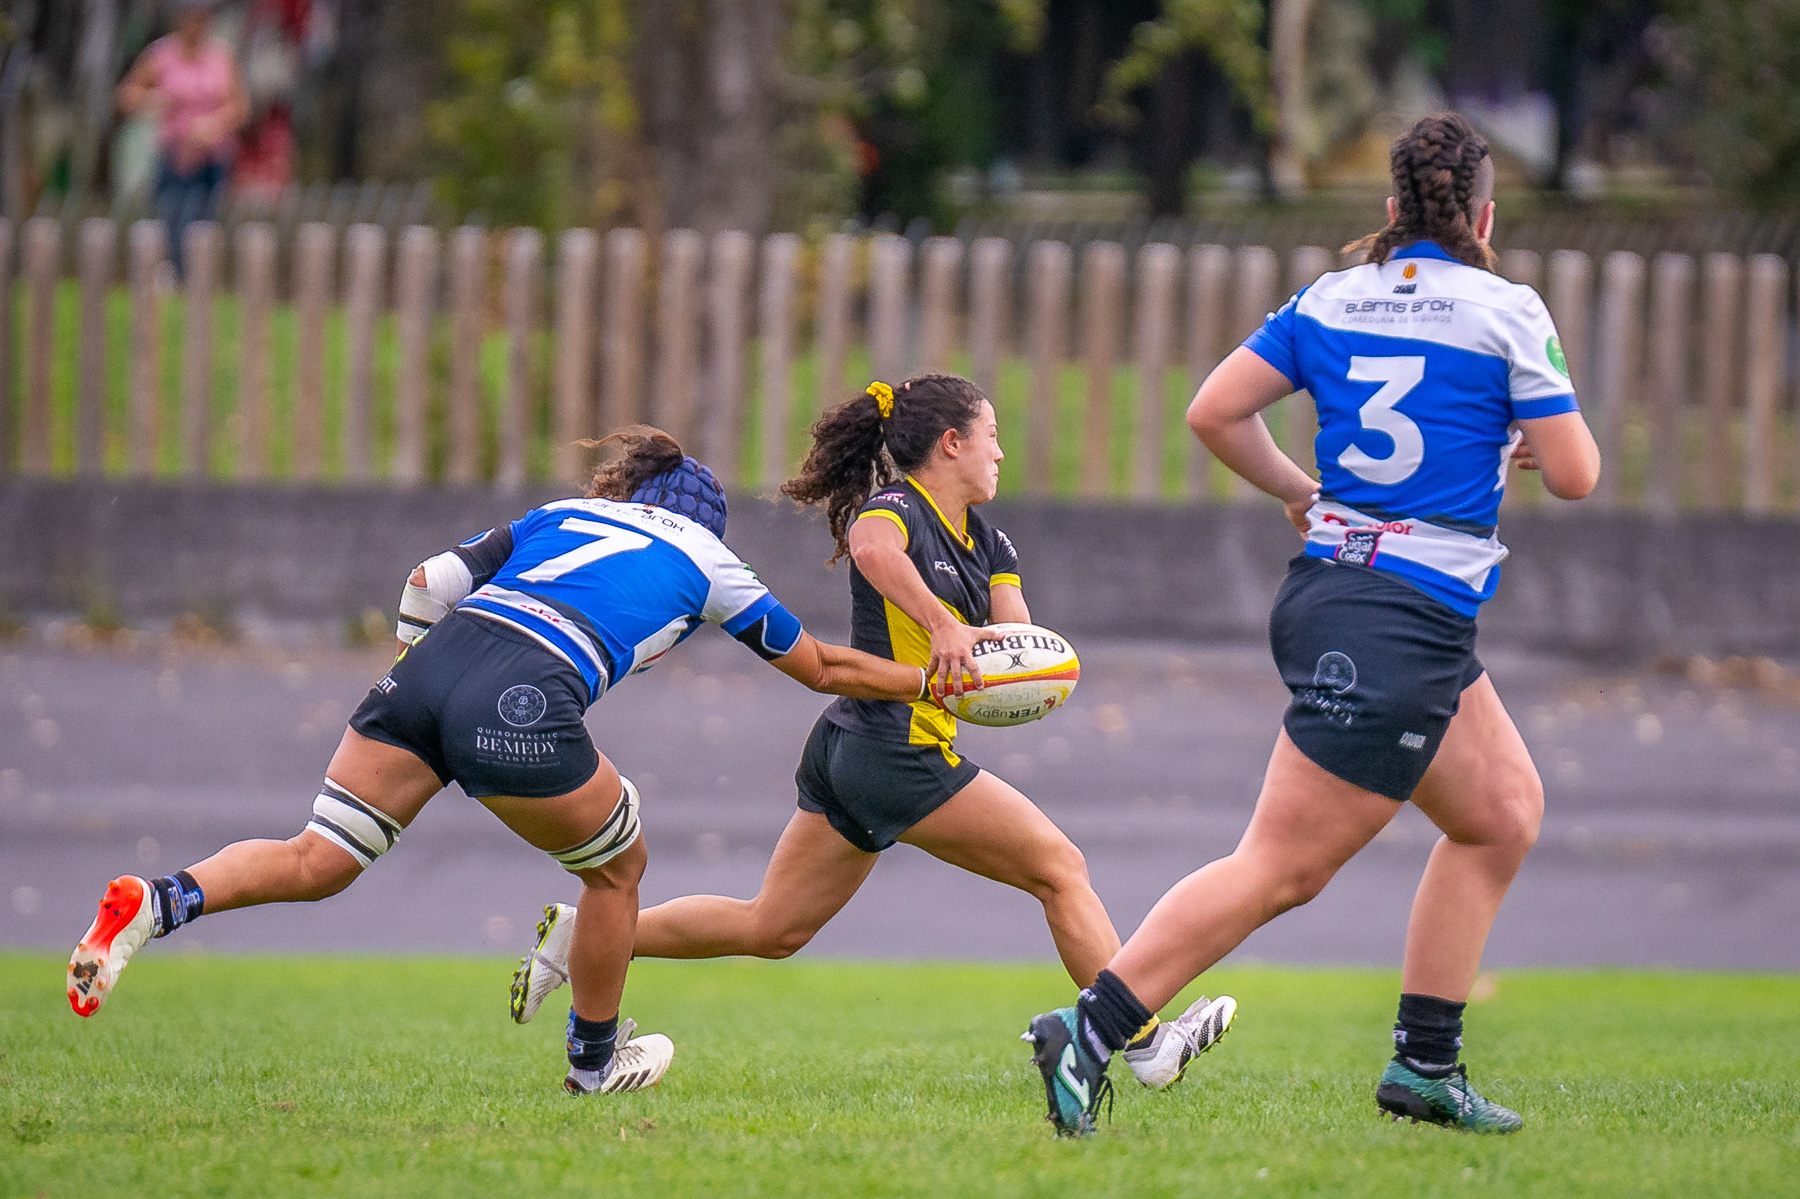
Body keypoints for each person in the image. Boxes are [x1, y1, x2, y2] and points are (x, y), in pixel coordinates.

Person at [1024, 113, 1602, 1136]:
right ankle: (1094, 1024)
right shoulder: (1507, 309)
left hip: (1344, 591)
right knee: (1280, 866)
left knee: (1501, 808)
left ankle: (1426, 1065)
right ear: (1485, 215)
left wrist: (1300, 488)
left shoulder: (1331, 296)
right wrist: (1509, 428)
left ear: (1390, 212)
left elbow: (1213, 410)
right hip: (1399, 617)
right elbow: (1576, 473)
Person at [66, 427, 940, 1096]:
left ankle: (160, 898)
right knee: (618, 868)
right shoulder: (709, 556)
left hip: (425, 674)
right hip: (524, 693)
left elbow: (424, 579)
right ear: (702, 518)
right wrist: (932, 681)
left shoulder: (561, 515)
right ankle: (595, 1064)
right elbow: (820, 666)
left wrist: (418, 690)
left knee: (316, 858)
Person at [509, 378, 1236, 1091]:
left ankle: (584, 938)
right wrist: (944, 622)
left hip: (852, 750)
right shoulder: (897, 510)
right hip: (893, 748)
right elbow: (871, 550)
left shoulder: (989, 539)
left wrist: (1023, 667)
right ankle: (1142, 1044)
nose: (1002, 454)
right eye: (992, 437)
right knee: (1060, 867)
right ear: (951, 444)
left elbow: (1015, 636)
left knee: (772, 927)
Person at [117, 0, 248, 275]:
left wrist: (213, 125)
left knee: (205, 224)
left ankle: (200, 279)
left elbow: (240, 106)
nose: (197, 25)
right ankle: (173, 275)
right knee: (173, 221)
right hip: (174, 155)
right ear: (180, 20)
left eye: (202, 19)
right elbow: (126, 96)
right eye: (192, 18)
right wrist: (157, 100)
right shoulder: (162, 54)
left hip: (212, 156)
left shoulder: (221, 56)